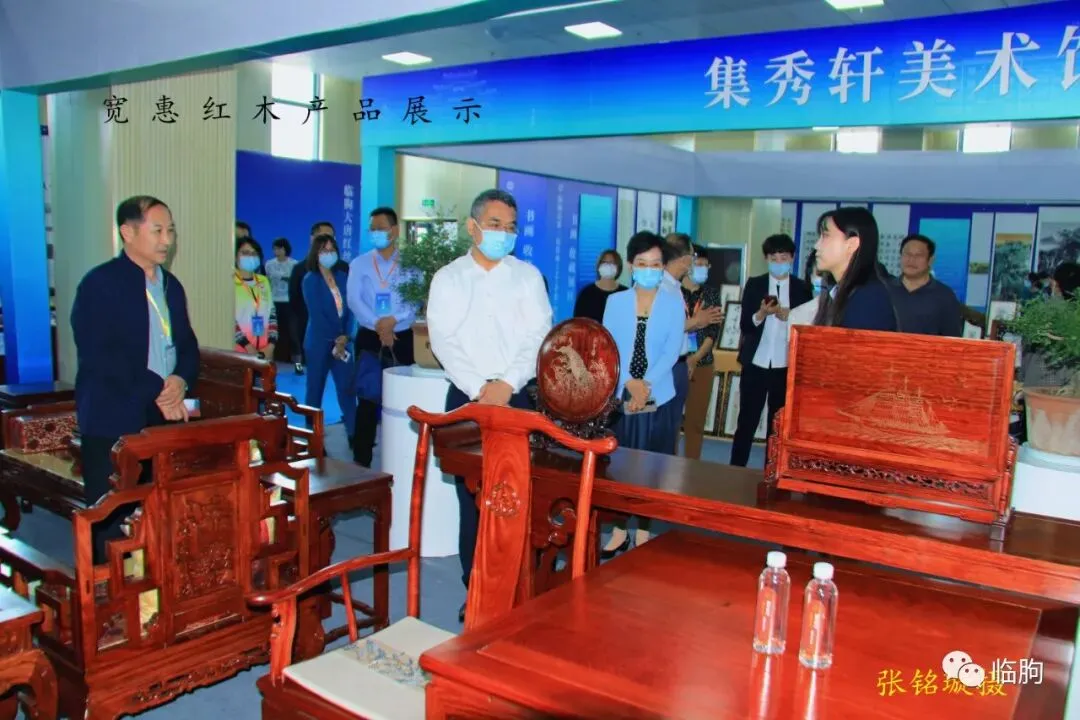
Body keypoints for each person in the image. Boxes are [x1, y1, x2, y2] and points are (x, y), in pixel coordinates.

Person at [427, 188, 552, 622]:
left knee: (520, 495)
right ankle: (476, 589)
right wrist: (480, 387)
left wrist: (507, 383)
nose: (504, 234)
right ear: (473, 227)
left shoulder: (527, 277)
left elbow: (540, 336)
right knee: (472, 498)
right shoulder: (449, 278)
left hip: (517, 397)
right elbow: (443, 340)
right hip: (467, 399)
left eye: (511, 227)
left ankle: (519, 587)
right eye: (495, 224)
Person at [72, 196, 200, 562]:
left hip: (163, 415)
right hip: (114, 417)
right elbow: (100, 355)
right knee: (112, 518)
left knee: (159, 513)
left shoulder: (171, 285)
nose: (167, 240)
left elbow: (187, 345)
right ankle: (107, 591)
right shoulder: (100, 284)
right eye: (157, 231)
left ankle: (155, 587)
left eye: (170, 231)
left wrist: (180, 380)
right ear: (127, 232)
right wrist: (159, 390)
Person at [601, 231, 685, 555]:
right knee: (620, 463)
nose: (649, 269)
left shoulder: (673, 302)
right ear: (631, 265)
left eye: (655, 264)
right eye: (642, 263)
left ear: (663, 267)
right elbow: (609, 346)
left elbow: (672, 351)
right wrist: (629, 382)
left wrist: (644, 383)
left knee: (653, 464)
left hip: (658, 394)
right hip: (623, 392)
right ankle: (620, 528)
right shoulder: (616, 302)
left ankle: (645, 529)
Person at [730, 233, 812, 467]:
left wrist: (791, 316)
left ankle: (772, 470)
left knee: (777, 425)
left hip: (784, 365)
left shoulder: (802, 288)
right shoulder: (755, 284)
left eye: (783, 257)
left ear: (792, 258)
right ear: (766, 258)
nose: (778, 262)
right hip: (756, 362)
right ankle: (736, 468)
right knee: (746, 421)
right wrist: (761, 314)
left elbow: (808, 326)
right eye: (773, 258)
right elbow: (745, 325)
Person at [347, 206, 417, 468]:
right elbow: (354, 300)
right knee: (367, 400)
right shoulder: (360, 263)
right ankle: (361, 463)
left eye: (381, 228)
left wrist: (393, 320)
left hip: (402, 337)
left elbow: (415, 300)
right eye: (372, 229)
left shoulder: (410, 263)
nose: (375, 233)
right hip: (370, 336)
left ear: (395, 230)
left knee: (403, 398)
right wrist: (379, 324)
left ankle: (403, 459)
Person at [303, 233, 357, 447]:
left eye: (332, 249)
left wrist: (346, 336)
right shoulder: (310, 280)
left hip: (343, 342)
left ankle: (354, 434)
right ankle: (313, 438)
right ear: (315, 254)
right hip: (319, 342)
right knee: (315, 390)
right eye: (324, 250)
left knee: (347, 388)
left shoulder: (343, 276)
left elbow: (350, 309)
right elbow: (317, 314)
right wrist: (337, 338)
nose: (329, 253)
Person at [813, 207, 899, 331]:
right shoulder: (838, 292)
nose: (817, 245)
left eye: (826, 236)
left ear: (852, 244)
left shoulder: (869, 299)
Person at [680, 245, 724, 460]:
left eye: (705, 265)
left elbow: (712, 331)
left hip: (703, 362)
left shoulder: (711, 294)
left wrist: (696, 358)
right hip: (675, 362)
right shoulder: (673, 291)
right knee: (670, 419)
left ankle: (691, 465)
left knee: (695, 422)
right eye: (697, 263)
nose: (701, 268)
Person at [891, 234, 963, 337]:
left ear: (931, 260)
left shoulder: (945, 295)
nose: (911, 260)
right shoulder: (885, 290)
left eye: (918, 255)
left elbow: (952, 338)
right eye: (907, 254)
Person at [289, 221, 336, 375]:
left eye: (331, 237)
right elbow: (295, 302)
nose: (327, 240)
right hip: (310, 334)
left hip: (337, 337)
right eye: (323, 236)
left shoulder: (342, 269)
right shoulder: (299, 270)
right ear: (312, 239)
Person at [234, 237, 277, 359]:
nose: (250, 257)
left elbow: (272, 314)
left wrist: (271, 345)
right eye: (245, 253)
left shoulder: (263, 281)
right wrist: (248, 347)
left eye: (254, 253)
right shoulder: (230, 282)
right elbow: (228, 320)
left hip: (265, 350)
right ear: (236, 256)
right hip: (240, 350)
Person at [264, 237, 298, 363]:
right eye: (275, 249)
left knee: (292, 332)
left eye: (279, 248)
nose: (277, 251)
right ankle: (274, 359)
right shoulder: (269, 264)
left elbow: (296, 283)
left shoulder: (294, 264)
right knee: (274, 332)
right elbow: (266, 282)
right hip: (274, 301)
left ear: (285, 249)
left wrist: (286, 278)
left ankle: (296, 362)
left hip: (289, 302)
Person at [573, 249, 627, 323]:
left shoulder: (626, 294)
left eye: (612, 262)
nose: (608, 265)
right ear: (598, 266)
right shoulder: (586, 293)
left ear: (618, 268)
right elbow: (577, 323)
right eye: (604, 262)